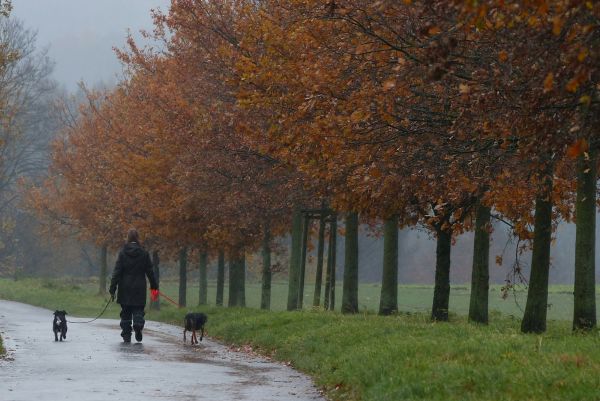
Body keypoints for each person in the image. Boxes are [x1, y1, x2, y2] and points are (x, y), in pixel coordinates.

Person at [109, 228, 158, 343]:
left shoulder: (122, 253)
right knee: (138, 309)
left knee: (125, 311)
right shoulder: (144, 253)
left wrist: (112, 288)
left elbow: (117, 272)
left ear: (128, 238)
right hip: (139, 287)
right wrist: (154, 286)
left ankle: (126, 334)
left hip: (124, 287)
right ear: (138, 238)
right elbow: (150, 272)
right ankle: (138, 324)